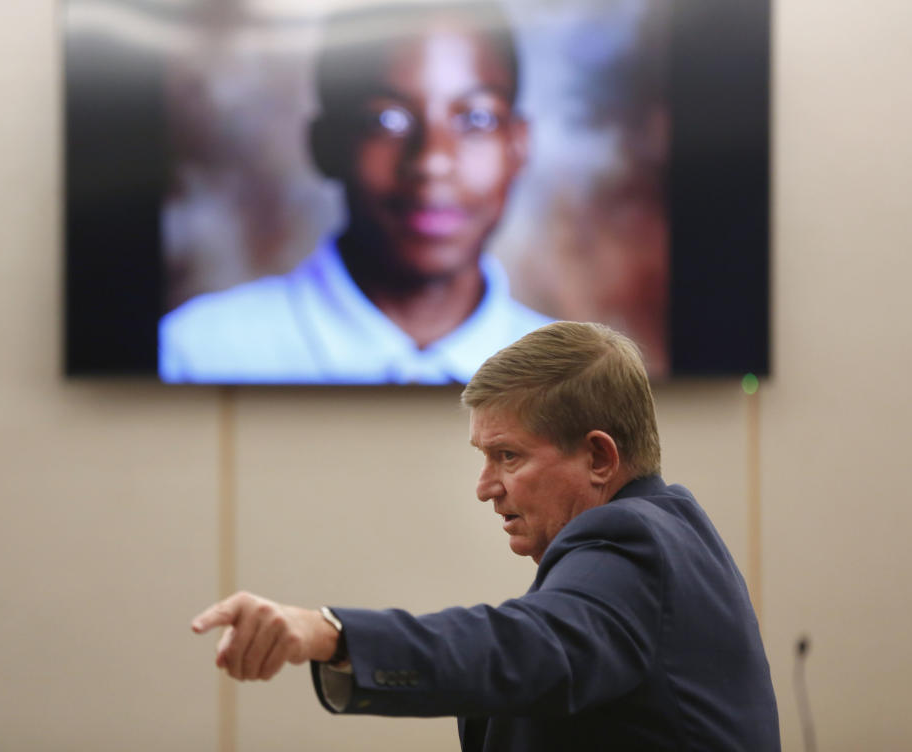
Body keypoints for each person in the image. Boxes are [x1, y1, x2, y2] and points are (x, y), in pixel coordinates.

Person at [192, 321, 781, 751]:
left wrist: (329, 632)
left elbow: (522, 647)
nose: (485, 487)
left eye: (508, 456)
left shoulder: (630, 545)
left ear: (599, 458)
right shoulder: (671, 532)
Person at [159, 1, 551, 384]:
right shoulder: (196, 353)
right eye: (387, 119)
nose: (431, 160)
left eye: (476, 118)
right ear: (325, 144)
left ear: (519, 145)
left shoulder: (582, 382)